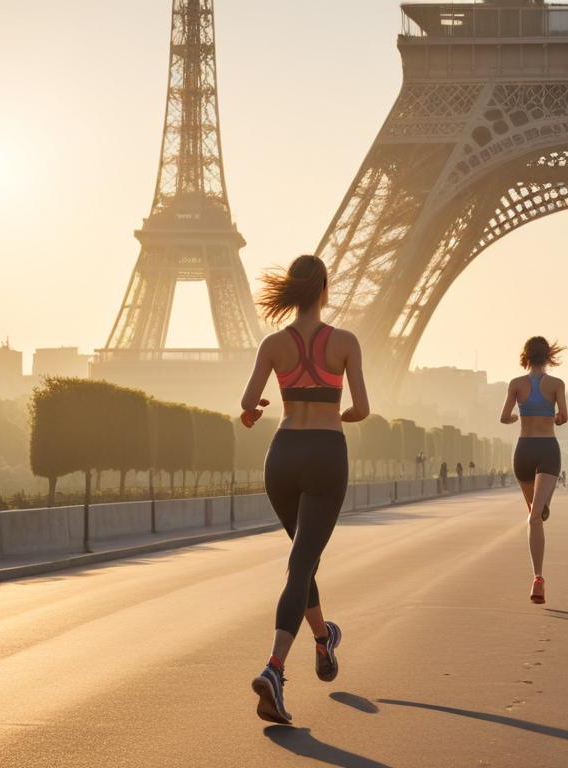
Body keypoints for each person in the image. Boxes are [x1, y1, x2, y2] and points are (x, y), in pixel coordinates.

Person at [239, 254, 370, 726]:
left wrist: (254, 412)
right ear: (324, 290)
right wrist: (335, 415)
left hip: (282, 457)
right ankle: (274, 668)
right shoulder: (345, 342)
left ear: (293, 290)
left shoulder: (274, 344)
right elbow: (362, 408)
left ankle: (323, 637)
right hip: (325, 455)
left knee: (301, 560)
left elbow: (248, 403)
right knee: (301, 562)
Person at [500, 336, 568, 605]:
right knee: (535, 516)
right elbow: (563, 417)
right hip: (548, 449)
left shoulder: (516, 385)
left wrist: (518, 415)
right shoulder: (556, 385)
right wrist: (552, 416)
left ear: (526, 356)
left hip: (524, 450)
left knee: (533, 518)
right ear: (548, 356)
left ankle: (537, 578)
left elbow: (504, 417)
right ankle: (543, 505)